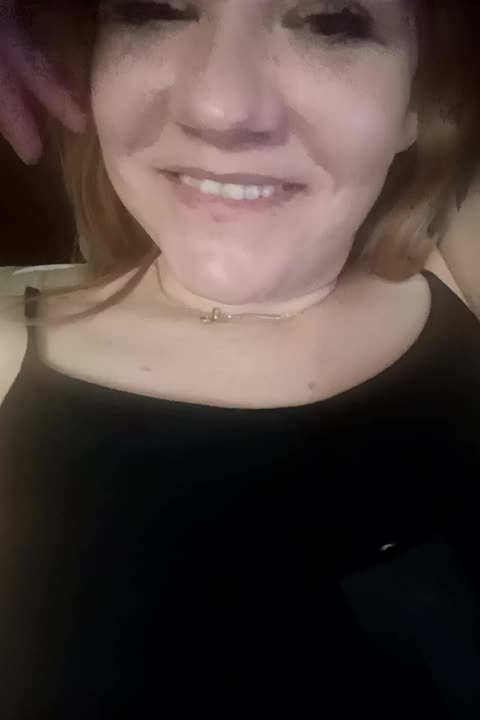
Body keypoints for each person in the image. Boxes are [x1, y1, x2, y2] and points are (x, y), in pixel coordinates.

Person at [0, 1, 479, 717]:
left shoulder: (461, 269)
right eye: (154, 9)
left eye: (332, 22)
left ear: (420, 98)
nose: (220, 107)